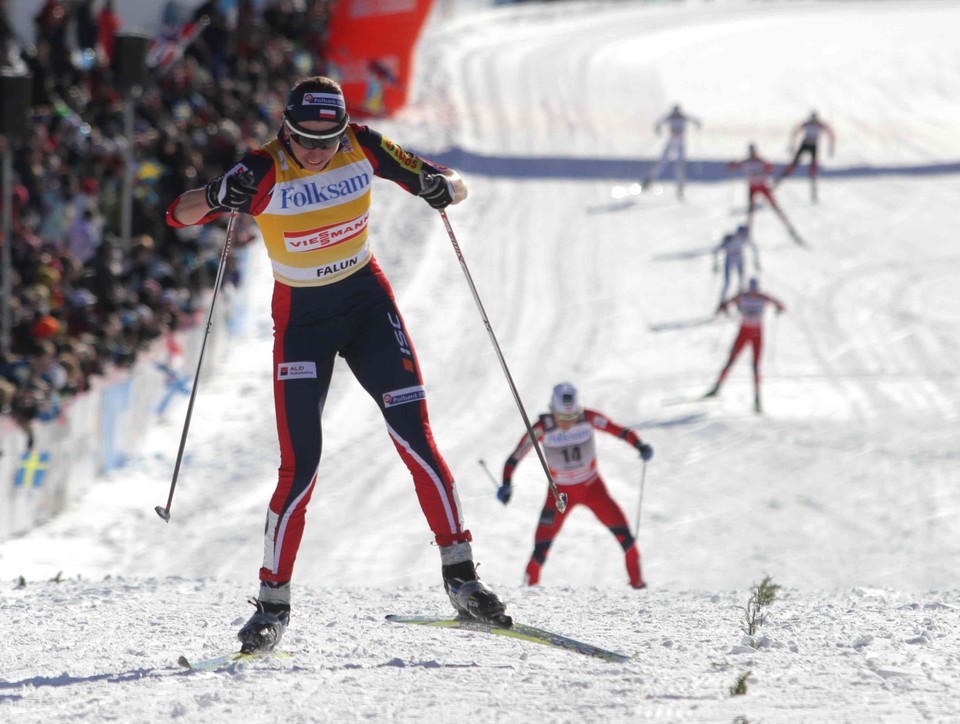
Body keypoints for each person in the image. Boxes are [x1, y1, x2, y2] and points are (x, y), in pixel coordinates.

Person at [165, 75, 511, 653]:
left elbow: (456, 184)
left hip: (368, 306)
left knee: (416, 439)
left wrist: (440, 186)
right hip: (302, 322)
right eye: (305, 140)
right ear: (286, 130)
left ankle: (462, 580)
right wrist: (221, 192)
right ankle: (272, 606)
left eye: (328, 140)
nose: (319, 152)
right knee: (300, 468)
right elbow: (179, 213)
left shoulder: (363, 144)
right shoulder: (263, 168)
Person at [497, 383, 653, 590]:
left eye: (571, 418)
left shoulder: (588, 418)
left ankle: (639, 588)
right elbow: (514, 457)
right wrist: (507, 483)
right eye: (562, 418)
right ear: (552, 411)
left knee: (627, 540)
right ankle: (528, 594)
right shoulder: (542, 428)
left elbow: (619, 430)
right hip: (559, 494)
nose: (567, 424)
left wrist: (639, 445)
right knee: (540, 550)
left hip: (593, 488)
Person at [704, 278, 785, 413]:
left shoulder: (758, 297)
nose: (753, 293)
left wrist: (778, 309)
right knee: (731, 361)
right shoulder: (746, 296)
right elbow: (725, 304)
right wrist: (725, 309)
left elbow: (781, 305)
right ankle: (717, 388)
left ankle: (757, 399)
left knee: (755, 366)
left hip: (756, 334)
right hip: (744, 333)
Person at [728, 143, 804, 245]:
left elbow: (770, 168)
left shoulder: (761, 162)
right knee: (750, 211)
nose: (752, 154)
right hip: (753, 188)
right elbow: (734, 166)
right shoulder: (746, 162)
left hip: (763, 187)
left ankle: (789, 228)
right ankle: (748, 233)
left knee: (775, 207)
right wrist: (732, 165)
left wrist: (765, 167)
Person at [641, 104, 702, 199]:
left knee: (680, 165)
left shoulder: (683, 117)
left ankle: (680, 187)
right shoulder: (670, 117)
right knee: (662, 162)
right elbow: (659, 123)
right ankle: (649, 180)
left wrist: (698, 125)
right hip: (672, 143)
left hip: (680, 144)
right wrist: (658, 130)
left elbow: (696, 121)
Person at [775, 111, 836, 202]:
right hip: (805, 144)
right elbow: (796, 131)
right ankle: (779, 181)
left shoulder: (820, 125)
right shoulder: (807, 124)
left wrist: (831, 146)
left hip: (813, 147)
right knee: (794, 164)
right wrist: (792, 145)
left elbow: (830, 133)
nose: (813, 122)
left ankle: (814, 192)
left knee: (813, 167)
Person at [713, 223, 759, 306]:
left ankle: (739, 301)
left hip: (740, 259)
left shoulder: (745, 239)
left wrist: (756, 261)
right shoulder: (729, 239)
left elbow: (754, 248)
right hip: (729, 259)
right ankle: (722, 302)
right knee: (727, 282)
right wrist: (715, 264)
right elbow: (716, 250)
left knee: (741, 281)